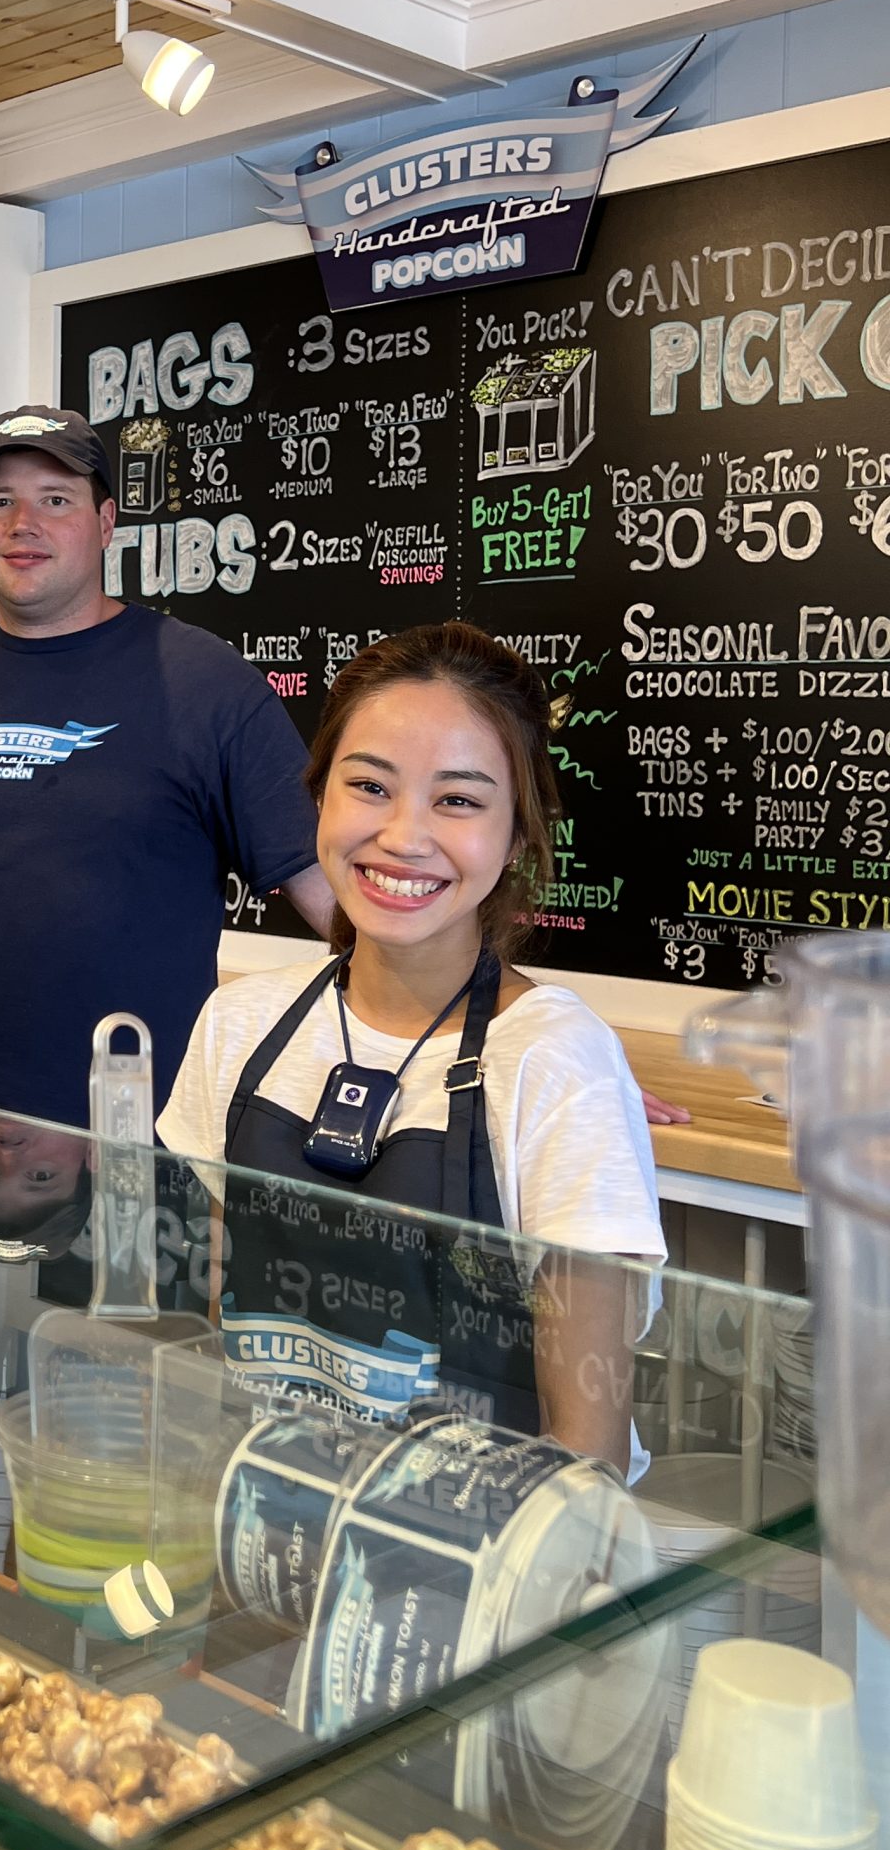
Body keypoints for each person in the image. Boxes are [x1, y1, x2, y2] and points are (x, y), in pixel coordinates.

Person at [157, 621, 664, 1468]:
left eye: (458, 799)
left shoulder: (554, 1060)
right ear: (318, 797)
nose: (403, 835)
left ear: (516, 834)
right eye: (370, 786)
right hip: (265, 1535)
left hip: (479, 1566)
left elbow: (588, 1463)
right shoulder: (239, 1026)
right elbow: (228, 1324)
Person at [0, 404, 337, 1128]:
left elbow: (324, 882)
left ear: (105, 525)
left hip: (141, 1142)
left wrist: (447, 1015)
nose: (22, 524)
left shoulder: (203, 681)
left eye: (56, 500)